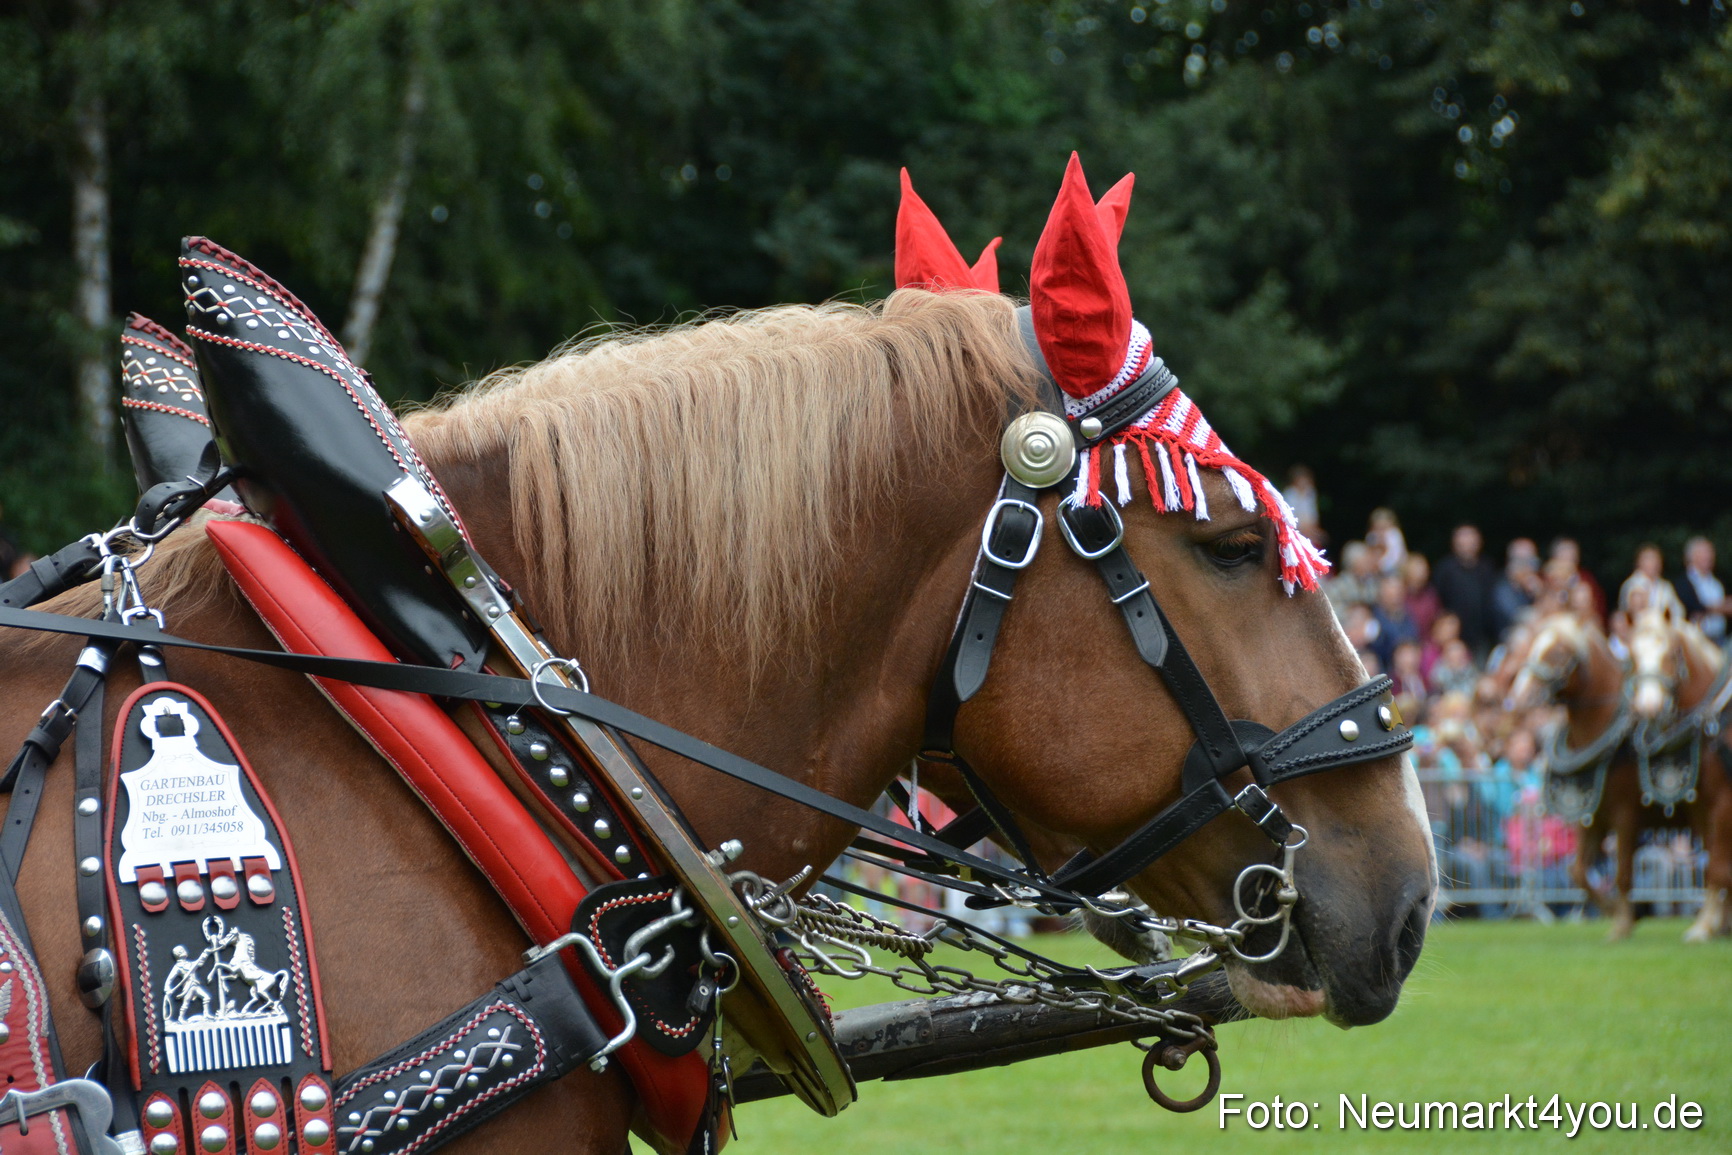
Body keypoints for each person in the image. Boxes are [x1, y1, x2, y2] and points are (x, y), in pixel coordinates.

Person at [1433, 524, 1499, 656]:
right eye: (1462, 543)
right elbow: (1438, 602)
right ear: (1454, 544)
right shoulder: (1445, 569)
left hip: (1483, 637)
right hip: (1454, 638)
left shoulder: (1487, 567)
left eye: (1471, 542)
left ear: (1479, 543)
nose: (1467, 546)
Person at [1676, 536, 1727, 645]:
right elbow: (1692, 608)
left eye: (1710, 552)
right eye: (1704, 552)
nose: (1709, 556)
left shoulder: (1716, 583)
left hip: (1719, 639)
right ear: (1691, 556)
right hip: (1695, 643)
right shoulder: (1684, 583)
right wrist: (1721, 607)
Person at [1490, 537, 1541, 638]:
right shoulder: (1502, 589)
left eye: (1533, 562)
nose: (1532, 568)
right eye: (1528, 562)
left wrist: (1539, 593)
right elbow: (1518, 618)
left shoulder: (1532, 585)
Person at [1617, 542, 1683, 620]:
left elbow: (1677, 610)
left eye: (1656, 559)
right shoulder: (1631, 584)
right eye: (1649, 559)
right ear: (1639, 562)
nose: (1654, 563)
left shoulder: (1665, 586)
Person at [1282, 465, 1325, 546]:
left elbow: (1313, 515)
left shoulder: (1310, 492)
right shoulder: (1290, 493)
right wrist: (1304, 529)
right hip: (1295, 529)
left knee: (1322, 538)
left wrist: (1312, 529)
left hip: (1310, 528)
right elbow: (1290, 517)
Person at [1403, 554, 1441, 639]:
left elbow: (1436, 620)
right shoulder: (1399, 596)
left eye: (1423, 573)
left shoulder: (1430, 595)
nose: (1420, 578)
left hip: (1428, 641)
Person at [1366, 507, 1407, 574]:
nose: (1381, 532)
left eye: (1384, 527)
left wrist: (1381, 566)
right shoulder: (1371, 537)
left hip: (1395, 570)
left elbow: (1396, 558)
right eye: (1378, 528)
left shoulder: (1394, 535)